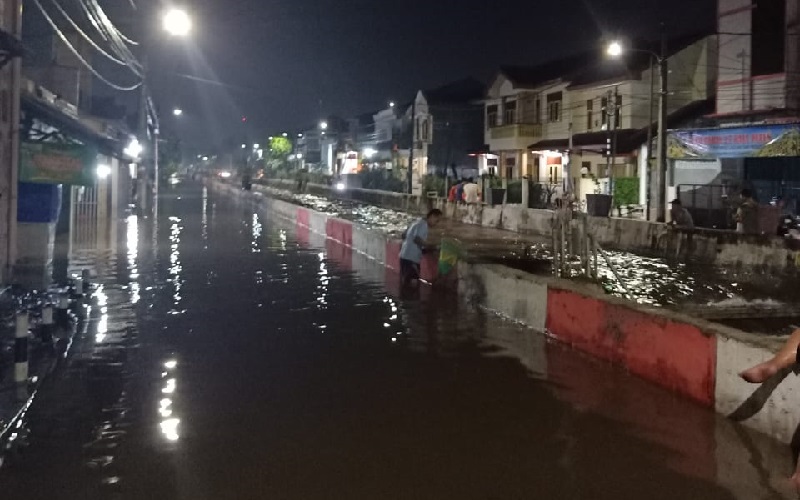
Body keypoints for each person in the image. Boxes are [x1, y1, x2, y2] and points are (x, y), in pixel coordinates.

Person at [400, 209, 442, 287]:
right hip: (411, 259)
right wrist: (430, 246)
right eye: (437, 220)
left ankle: (404, 297)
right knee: (413, 284)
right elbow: (417, 239)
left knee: (405, 282)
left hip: (404, 256)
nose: (437, 223)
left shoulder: (416, 222)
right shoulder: (424, 225)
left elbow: (403, 235)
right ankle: (410, 298)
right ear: (432, 216)